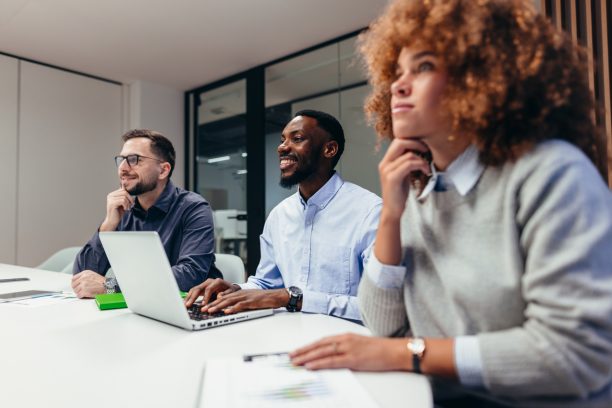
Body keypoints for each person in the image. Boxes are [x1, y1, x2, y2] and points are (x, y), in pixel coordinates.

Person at [290, 1, 612, 406]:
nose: (397, 86)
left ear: (481, 78)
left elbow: (578, 355)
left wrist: (406, 354)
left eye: (423, 67)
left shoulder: (550, 172)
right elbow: (384, 328)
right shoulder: (421, 188)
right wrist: (392, 214)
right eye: (398, 72)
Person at [185, 110, 381, 322]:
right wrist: (235, 289)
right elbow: (266, 284)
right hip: (285, 332)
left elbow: (380, 308)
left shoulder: (370, 212)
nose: (282, 147)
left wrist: (293, 299)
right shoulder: (279, 215)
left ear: (330, 149)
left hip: (345, 340)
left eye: (296, 139)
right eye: (282, 140)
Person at [72, 129, 221, 298]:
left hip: (189, 306)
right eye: (121, 160)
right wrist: (108, 226)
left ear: (163, 170)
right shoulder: (123, 210)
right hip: (139, 306)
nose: (122, 168)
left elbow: (189, 276)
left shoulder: (194, 208)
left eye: (134, 160)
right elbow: (82, 278)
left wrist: (111, 286)